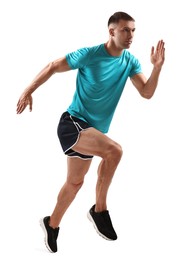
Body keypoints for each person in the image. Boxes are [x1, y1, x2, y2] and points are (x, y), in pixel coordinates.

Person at [16, 11, 165, 253]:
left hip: (91, 132)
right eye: (126, 30)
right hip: (72, 124)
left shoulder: (130, 62)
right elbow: (54, 65)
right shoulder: (90, 55)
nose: (131, 35)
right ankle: (99, 211)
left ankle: (51, 224)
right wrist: (28, 90)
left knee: (74, 183)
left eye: (134, 30)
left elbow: (147, 92)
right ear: (112, 31)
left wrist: (157, 68)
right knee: (114, 151)